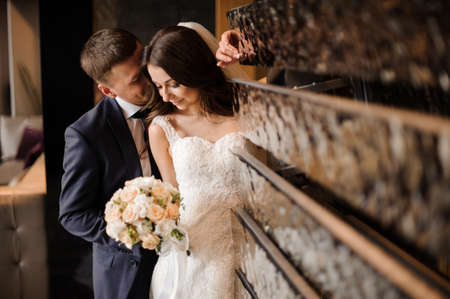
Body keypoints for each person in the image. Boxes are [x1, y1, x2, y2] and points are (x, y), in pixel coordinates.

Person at [143, 24, 247, 298]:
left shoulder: (244, 109)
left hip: (251, 240)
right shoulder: (162, 128)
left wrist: (239, 39)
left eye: (173, 84)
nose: (165, 95)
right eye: (158, 86)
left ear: (194, 69)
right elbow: (172, 196)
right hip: (197, 253)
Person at [59, 28, 161, 299]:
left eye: (145, 63)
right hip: (126, 271)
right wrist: (130, 233)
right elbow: (73, 215)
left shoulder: (171, 94)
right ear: (107, 90)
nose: (150, 77)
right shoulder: (86, 135)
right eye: (137, 78)